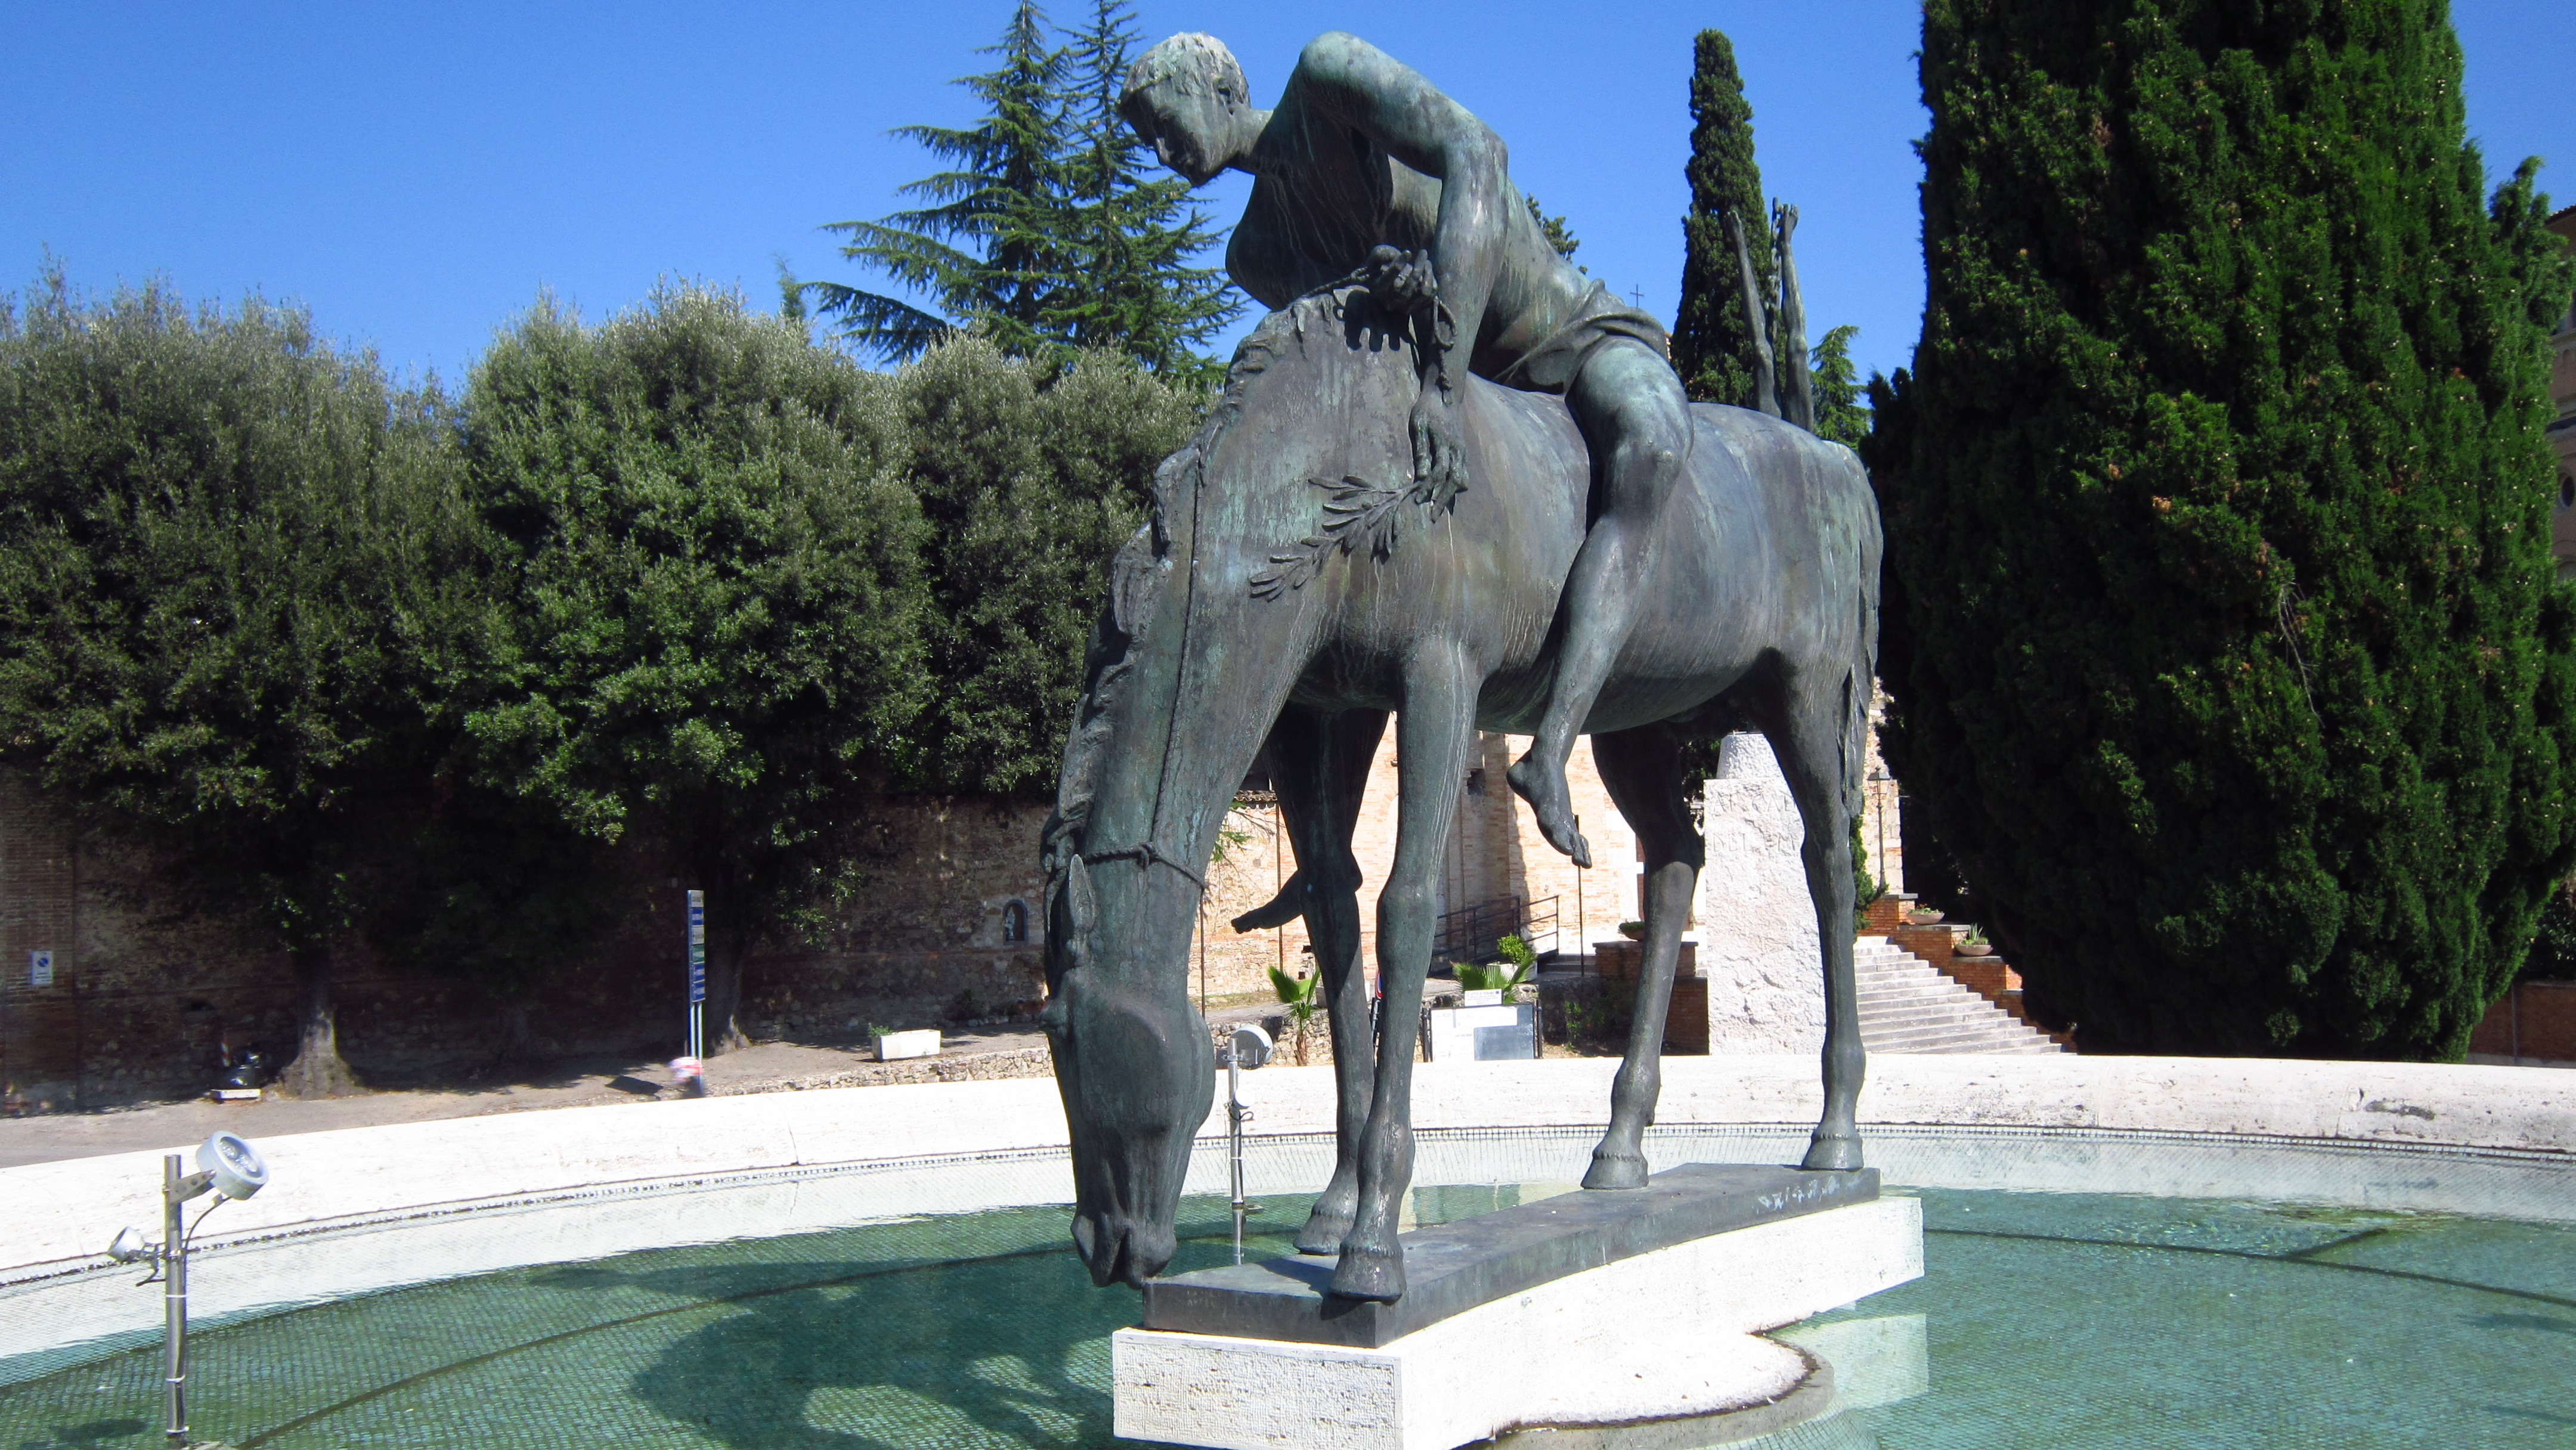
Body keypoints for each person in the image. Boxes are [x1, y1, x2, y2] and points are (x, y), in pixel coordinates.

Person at [1121, 30, 1691, 867]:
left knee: (1651, 445)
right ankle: (1325, 853)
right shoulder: (1257, 254)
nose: (1162, 151)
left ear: (1221, 89)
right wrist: (1402, 307)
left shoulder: (1327, 80)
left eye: (1165, 122)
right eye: (1146, 139)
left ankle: (1552, 747)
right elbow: (1361, 361)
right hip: (1480, 409)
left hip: (1567, 343)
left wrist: (1443, 383)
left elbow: (1478, 155)